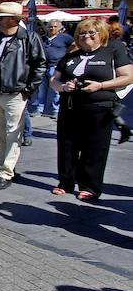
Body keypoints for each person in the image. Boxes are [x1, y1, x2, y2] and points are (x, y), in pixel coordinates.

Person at [49, 19, 133, 200]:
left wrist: (101, 85)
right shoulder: (71, 55)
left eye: (91, 33)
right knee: (67, 145)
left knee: (95, 147)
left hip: (99, 108)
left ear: (101, 34)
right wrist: (63, 87)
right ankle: (66, 182)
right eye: (82, 33)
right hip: (71, 106)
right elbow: (54, 80)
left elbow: (128, 77)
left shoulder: (113, 51)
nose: (86, 36)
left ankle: (90, 185)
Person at [0, 2, 46, 190]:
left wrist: (27, 90)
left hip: (14, 92)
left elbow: (40, 65)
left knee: (13, 133)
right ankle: (4, 167)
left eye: (1, 17)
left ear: (13, 19)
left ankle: (6, 172)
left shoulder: (29, 38)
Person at [29, 20, 74, 119]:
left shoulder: (64, 37)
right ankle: (39, 109)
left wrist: (68, 55)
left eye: (54, 26)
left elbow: (75, 44)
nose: (52, 28)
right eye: (50, 26)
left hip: (56, 67)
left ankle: (55, 110)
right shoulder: (43, 38)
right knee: (41, 89)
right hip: (43, 67)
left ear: (59, 28)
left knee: (55, 90)